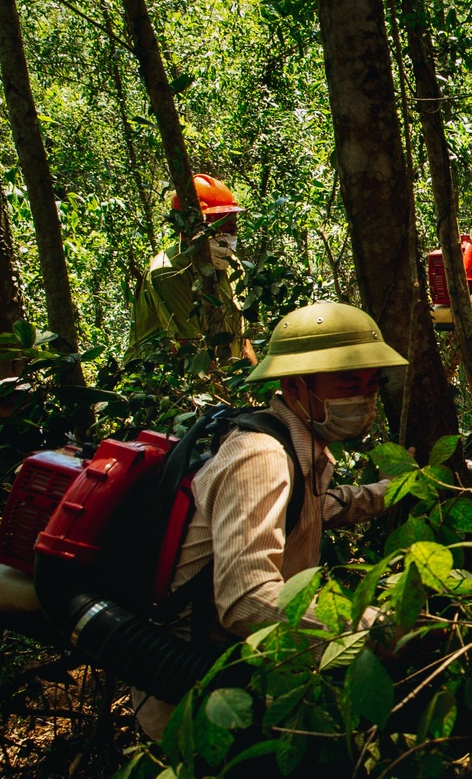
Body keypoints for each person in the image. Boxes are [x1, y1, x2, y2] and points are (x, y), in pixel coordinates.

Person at [130, 300, 405, 738]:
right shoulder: (262, 456)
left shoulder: (295, 448)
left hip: (249, 674)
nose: (364, 397)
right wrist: (377, 630)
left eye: (371, 383)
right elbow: (246, 599)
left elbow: (316, 509)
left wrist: (388, 491)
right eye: (348, 382)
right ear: (295, 385)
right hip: (201, 695)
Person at [130, 174, 257, 362]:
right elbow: (190, 354)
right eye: (219, 230)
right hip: (167, 376)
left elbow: (243, 342)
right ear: (189, 231)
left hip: (223, 371)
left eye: (231, 230)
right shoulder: (168, 272)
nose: (227, 238)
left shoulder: (231, 265)